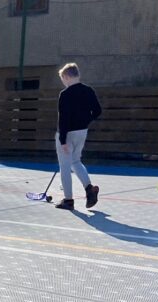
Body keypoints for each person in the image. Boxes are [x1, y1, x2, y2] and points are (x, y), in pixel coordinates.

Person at [54, 63, 102, 211]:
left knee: (65, 166)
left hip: (67, 133)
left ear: (67, 77)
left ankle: (68, 200)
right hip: (82, 131)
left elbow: (63, 119)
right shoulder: (88, 90)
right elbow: (97, 111)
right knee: (75, 161)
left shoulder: (65, 94)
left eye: (63, 78)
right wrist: (85, 121)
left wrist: (62, 140)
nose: (63, 82)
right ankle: (89, 189)